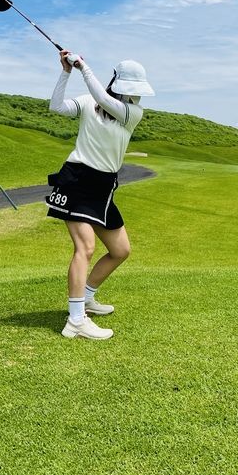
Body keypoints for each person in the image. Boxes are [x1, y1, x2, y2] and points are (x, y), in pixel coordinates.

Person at [46, 49, 154, 340]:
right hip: (77, 180)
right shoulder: (87, 102)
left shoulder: (132, 113)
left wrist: (84, 68)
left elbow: (105, 101)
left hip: (104, 187)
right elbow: (56, 107)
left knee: (121, 251)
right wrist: (67, 72)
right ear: (120, 84)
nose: (137, 95)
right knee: (85, 248)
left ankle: (87, 298)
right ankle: (76, 321)